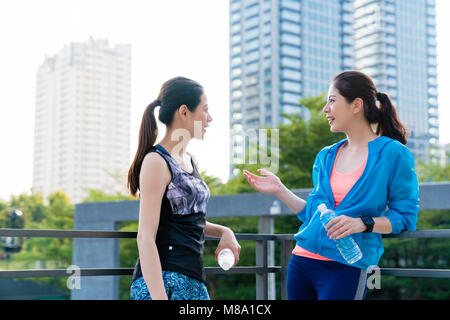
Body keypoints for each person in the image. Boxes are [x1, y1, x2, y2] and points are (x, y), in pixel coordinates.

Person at [243, 70, 419, 300]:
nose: (325, 109)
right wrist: (279, 189)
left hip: (347, 267)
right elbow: (316, 215)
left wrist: (363, 223)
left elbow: (405, 217)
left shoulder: (392, 154)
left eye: (332, 101)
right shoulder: (325, 156)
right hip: (301, 262)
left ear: (356, 105)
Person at [128, 76, 241, 300]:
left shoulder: (190, 160)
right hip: (163, 282)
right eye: (205, 110)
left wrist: (224, 232)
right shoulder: (156, 161)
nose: (210, 118)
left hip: (192, 281)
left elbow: (184, 220)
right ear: (184, 112)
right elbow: (145, 237)